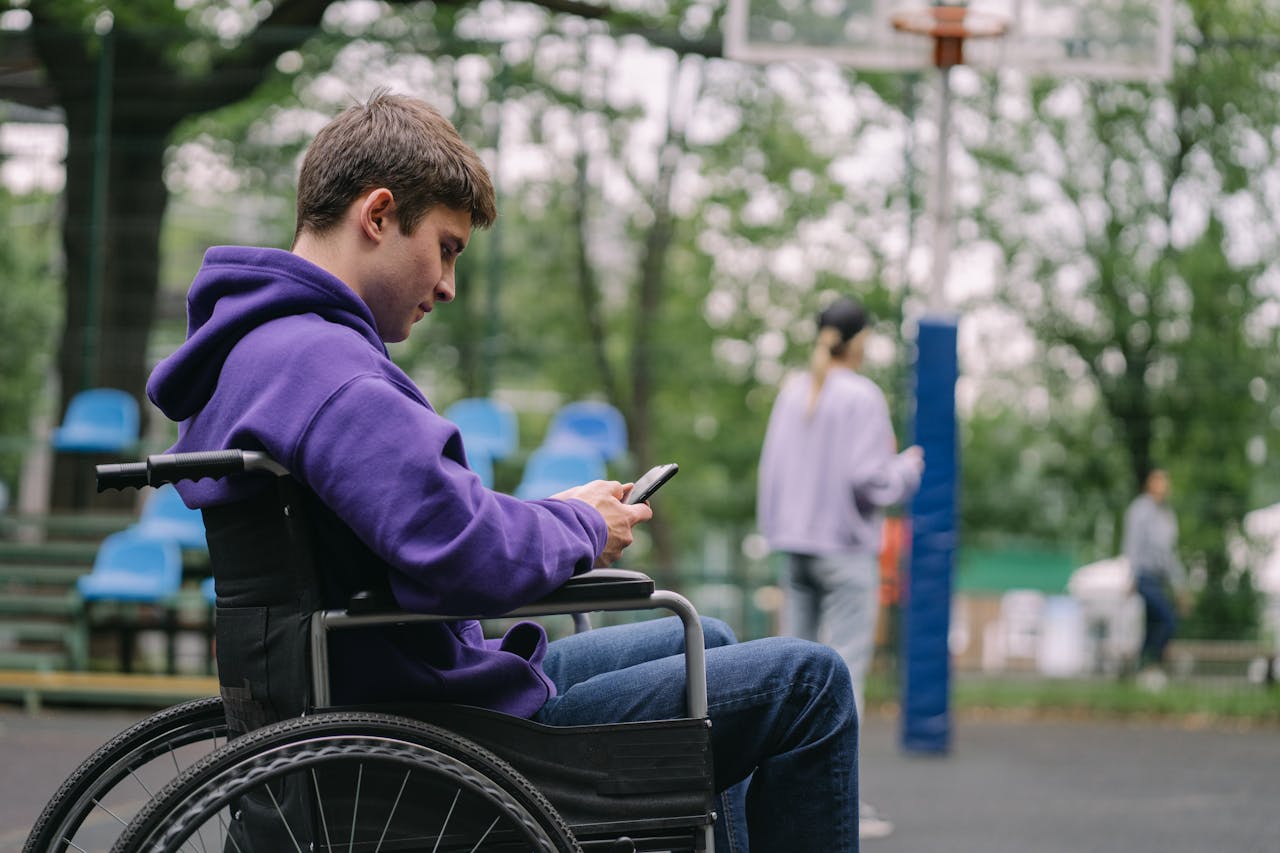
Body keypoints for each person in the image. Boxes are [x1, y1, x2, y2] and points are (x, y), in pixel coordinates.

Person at [146, 91, 858, 852]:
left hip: (396, 694)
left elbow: (422, 521)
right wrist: (583, 525)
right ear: (379, 215)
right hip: (443, 736)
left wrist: (554, 513)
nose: (448, 285)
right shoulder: (330, 368)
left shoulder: (267, 349)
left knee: (708, 640)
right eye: (447, 247)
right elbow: (458, 550)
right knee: (810, 683)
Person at [756, 296, 924, 841]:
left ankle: (781, 802)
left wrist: (779, 530)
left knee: (789, 681)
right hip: (845, 550)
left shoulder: (793, 389)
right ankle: (836, 802)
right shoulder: (862, 395)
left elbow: (771, 472)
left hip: (795, 547)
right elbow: (868, 480)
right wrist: (908, 470)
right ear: (858, 340)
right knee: (843, 676)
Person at [1122, 467, 1185, 686]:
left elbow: (1169, 554)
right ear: (1150, 484)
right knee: (1168, 619)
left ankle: (1137, 669)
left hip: (1159, 580)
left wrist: (1179, 585)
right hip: (1144, 576)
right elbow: (1132, 543)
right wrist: (1130, 575)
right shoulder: (1140, 510)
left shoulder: (1167, 515)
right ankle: (1150, 665)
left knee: (1153, 625)